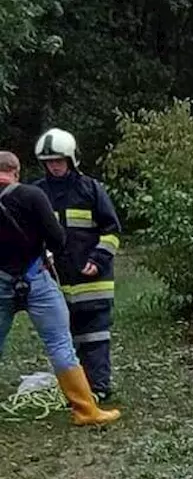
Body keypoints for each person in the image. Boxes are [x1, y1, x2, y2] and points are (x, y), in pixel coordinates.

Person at [0, 151, 120, 426]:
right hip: (36, 278)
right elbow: (57, 239)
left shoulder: (70, 188)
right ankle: (86, 411)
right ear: (16, 172)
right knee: (60, 344)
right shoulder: (32, 195)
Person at [31, 128, 121, 401]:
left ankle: (99, 388)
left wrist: (98, 259)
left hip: (92, 280)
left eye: (59, 160)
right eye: (49, 162)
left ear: (71, 159)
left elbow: (112, 231)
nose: (54, 166)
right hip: (56, 280)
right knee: (64, 340)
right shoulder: (36, 193)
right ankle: (76, 391)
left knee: (94, 337)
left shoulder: (91, 189)